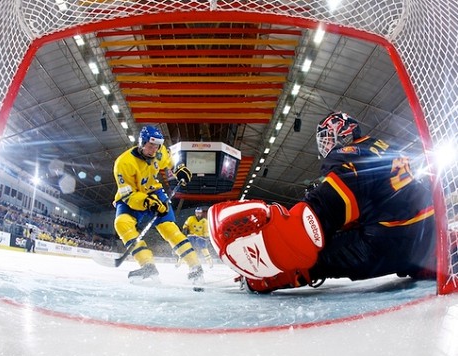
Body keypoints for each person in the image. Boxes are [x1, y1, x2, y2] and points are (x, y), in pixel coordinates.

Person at [208, 112, 436, 293]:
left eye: (327, 137)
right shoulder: (383, 147)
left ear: (343, 132)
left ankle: (270, 279)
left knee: (313, 253)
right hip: (427, 235)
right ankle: (437, 254)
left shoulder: (350, 155)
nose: (326, 146)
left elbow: (319, 215)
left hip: (389, 242)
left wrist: (282, 243)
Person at [113, 125, 204, 284]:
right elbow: (127, 194)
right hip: (131, 197)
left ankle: (195, 267)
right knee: (121, 223)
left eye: (157, 146)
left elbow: (171, 159)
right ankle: (147, 266)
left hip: (154, 192)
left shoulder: (159, 151)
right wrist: (147, 202)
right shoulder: (123, 163)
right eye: (150, 146)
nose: (154, 150)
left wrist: (178, 168)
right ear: (142, 142)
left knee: (169, 228)